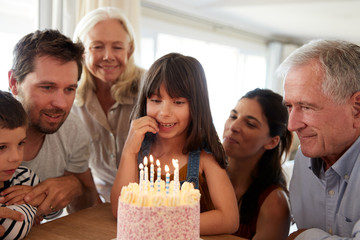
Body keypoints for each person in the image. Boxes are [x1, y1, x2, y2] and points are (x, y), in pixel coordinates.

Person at [110, 52, 239, 235]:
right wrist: (129, 153)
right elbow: (120, 211)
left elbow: (229, 220)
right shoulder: (139, 150)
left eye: (178, 102)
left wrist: (162, 224)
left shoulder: (205, 156)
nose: (164, 112)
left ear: (196, 106)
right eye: (155, 100)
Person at [2, 29, 101, 219]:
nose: (62, 104)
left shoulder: (72, 128)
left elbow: (89, 205)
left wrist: (75, 185)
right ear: (14, 82)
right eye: (47, 87)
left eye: (69, 89)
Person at [277, 39, 360, 239]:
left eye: (306, 107)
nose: (292, 125)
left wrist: (303, 236)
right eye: (289, 107)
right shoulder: (305, 158)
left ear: (357, 108)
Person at [72, 7, 144, 202]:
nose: (108, 56)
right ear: (82, 51)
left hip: (148, 199)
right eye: (97, 46)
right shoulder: (71, 97)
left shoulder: (151, 88)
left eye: (117, 47)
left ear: (129, 50)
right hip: (100, 202)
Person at [223, 88, 292, 240]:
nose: (233, 127)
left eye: (250, 124)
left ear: (272, 141)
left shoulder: (274, 203)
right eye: (233, 116)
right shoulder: (202, 175)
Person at [0, 90, 39, 239]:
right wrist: (30, 208)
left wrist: (36, 198)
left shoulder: (24, 178)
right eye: (1, 147)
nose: (16, 157)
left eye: (21, 143)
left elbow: (53, 210)